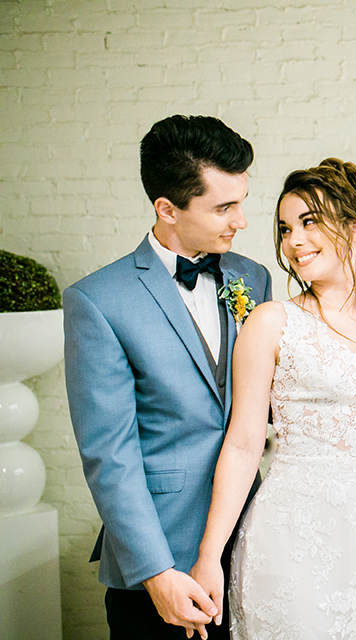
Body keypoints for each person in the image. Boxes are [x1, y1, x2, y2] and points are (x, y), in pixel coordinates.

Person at [189, 158, 356, 639]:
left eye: (309, 222)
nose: (294, 241)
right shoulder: (272, 322)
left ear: (354, 228)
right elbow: (244, 445)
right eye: (286, 229)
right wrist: (209, 558)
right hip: (286, 541)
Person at [63, 115, 273, 639]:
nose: (241, 221)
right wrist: (156, 572)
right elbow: (108, 452)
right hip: (162, 558)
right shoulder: (98, 302)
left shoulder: (252, 277)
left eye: (241, 201)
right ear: (167, 209)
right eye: (224, 207)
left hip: (256, 542)